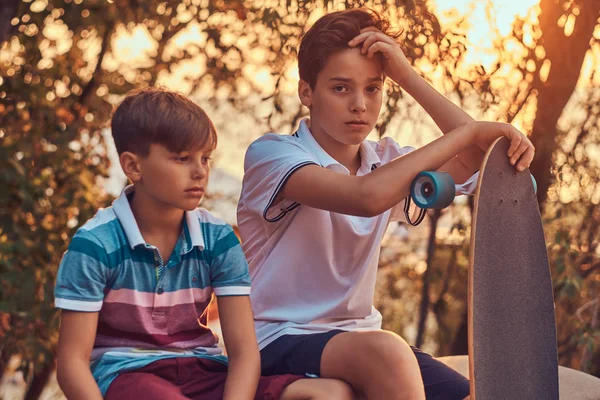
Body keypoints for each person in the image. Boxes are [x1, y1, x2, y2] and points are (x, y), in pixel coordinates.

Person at [237, 8, 535, 400]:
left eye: (373, 88)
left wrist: (408, 77)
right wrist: (469, 131)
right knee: (386, 350)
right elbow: (365, 198)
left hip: (359, 340)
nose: (360, 105)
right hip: (278, 338)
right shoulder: (273, 156)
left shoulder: (385, 163)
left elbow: (486, 162)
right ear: (306, 91)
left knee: (474, 393)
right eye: (341, 88)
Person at [54, 87, 354, 400]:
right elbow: (72, 363)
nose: (199, 172)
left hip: (204, 370)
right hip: (127, 375)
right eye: (182, 159)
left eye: (205, 159)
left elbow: (244, 353)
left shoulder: (218, 239)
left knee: (330, 392)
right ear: (133, 167)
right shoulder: (94, 246)